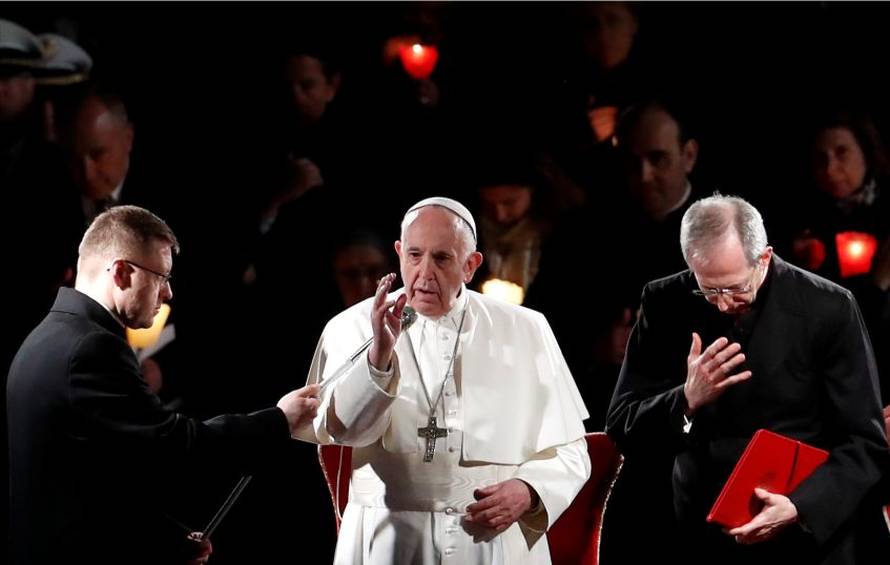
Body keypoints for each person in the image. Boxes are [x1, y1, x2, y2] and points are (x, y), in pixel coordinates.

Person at [7, 205, 321, 565]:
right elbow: (174, 449)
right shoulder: (91, 348)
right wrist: (279, 421)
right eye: (161, 277)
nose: (169, 293)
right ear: (122, 272)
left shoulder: (44, 337)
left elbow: (100, 478)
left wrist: (163, 539)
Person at [299, 196, 590, 564]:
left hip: (491, 543)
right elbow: (343, 431)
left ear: (470, 265)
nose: (424, 273)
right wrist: (379, 358)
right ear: (399, 252)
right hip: (389, 541)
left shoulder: (526, 328)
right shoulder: (352, 327)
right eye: (414, 255)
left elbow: (571, 451)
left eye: (441, 258)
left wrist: (529, 490)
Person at [606, 194, 889, 564]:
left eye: (736, 288)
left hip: (808, 538)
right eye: (708, 289)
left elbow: (864, 442)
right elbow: (621, 425)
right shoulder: (665, 302)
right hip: (702, 535)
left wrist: (799, 507)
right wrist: (687, 398)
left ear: (764, 258)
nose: (723, 303)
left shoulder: (829, 307)